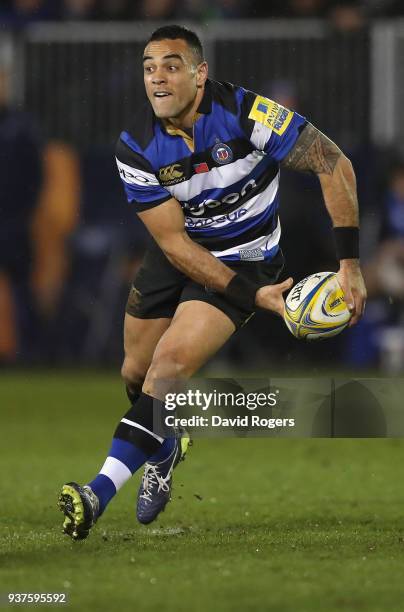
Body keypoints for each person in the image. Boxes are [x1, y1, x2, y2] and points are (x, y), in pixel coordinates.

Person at [58, 24, 367, 540]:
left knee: (167, 367)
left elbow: (333, 163)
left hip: (247, 259)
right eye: (149, 67)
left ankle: (95, 494)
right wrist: (255, 302)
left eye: (171, 66)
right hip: (179, 252)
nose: (157, 78)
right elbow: (175, 245)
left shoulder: (247, 114)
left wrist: (350, 265)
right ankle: (168, 442)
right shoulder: (135, 144)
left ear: (200, 75)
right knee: (135, 372)